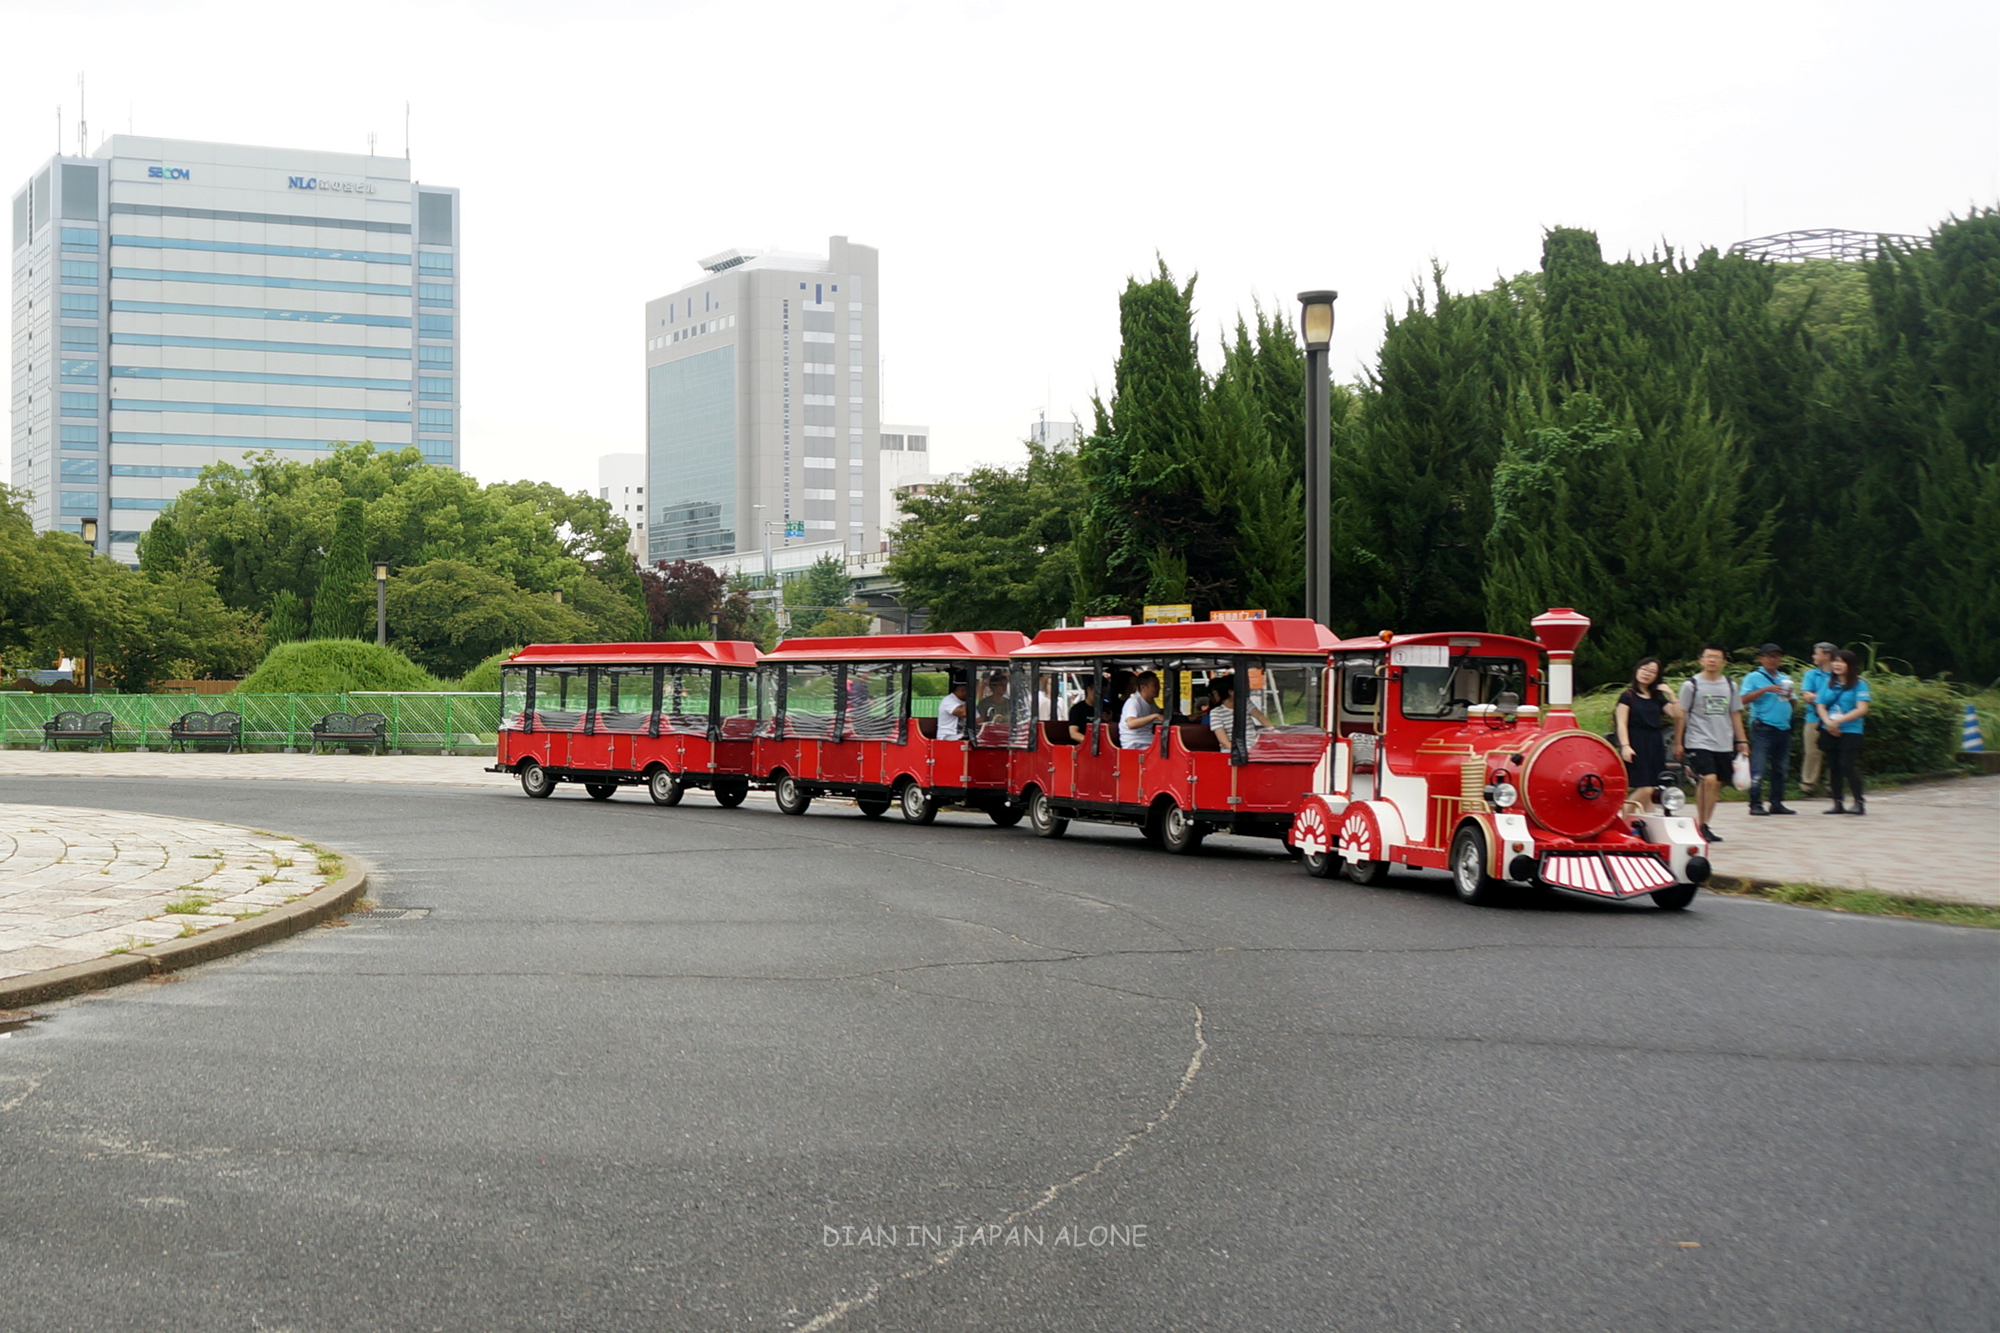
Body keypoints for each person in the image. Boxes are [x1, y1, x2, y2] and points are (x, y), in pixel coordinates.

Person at [1674, 642, 1747, 844]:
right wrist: (1679, 742)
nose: (1712, 660)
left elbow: (1734, 714)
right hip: (1699, 740)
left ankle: (1704, 824)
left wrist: (1742, 740)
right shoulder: (1691, 685)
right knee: (1709, 779)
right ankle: (1702, 825)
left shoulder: (1730, 685)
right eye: (1708, 656)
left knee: (1715, 784)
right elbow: (1682, 714)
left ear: (1723, 661)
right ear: (1701, 660)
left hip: (1723, 742)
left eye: (1717, 657)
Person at [1741, 642, 1799, 816]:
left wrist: (1789, 696)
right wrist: (1766, 689)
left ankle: (1776, 802)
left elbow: (1794, 703)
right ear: (1761, 658)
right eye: (1769, 656)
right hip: (1763, 728)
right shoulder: (1753, 677)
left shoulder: (1784, 678)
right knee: (1759, 767)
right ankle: (1755, 803)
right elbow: (1743, 699)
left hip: (1783, 728)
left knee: (1780, 768)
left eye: (1777, 656)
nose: (1773, 660)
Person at [1614, 657, 1679, 808]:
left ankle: (1641, 822)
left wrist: (1671, 695)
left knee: (1652, 787)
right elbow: (1621, 723)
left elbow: (1676, 713)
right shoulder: (1628, 696)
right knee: (1645, 787)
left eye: (1652, 671)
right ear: (1637, 670)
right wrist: (1625, 746)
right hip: (1635, 741)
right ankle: (1623, 816)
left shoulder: (1657, 697)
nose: (1647, 673)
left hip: (1654, 743)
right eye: (1644, 669)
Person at [1814, 649, 1871, 815]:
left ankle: (1859, 801)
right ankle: (1837, 802)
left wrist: (1838, 722)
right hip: (1829, 729)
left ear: (1850, 665)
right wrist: (1828, 723)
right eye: (1835, 661)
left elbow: (1862, 709)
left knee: (1847, 764)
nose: (1837, 665)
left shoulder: (1860, 684)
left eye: (1842, 662)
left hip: (1851, 730)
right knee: (1833, 766)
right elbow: (1820, 705)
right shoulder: (1829, 683)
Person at [1797, 642, 1837, 795]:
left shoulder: (1838, 673)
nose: (1814, 656)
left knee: (1834, 752)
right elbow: (1806, 696)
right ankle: (1807, 785)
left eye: (1816, 653)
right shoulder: (1811, 674)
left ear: (1827, 655)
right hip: (1813, 717)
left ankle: (1833, 785)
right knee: (1811, 752)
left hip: (1836, 719)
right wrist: (1827, 699)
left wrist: (1817, 698)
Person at [1208, 674, 1268, 750]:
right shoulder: (1216, 713)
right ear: (1231, 692)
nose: (1244, 692)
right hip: (1233, 752)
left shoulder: (1245, 703)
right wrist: (1241, 753)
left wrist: (1273, 730)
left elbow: (1260, 717)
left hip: (1254, 748)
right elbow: (1224, 743)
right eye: (1240, 689)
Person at [1118, 671, 1165, 749]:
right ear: (1143, 687)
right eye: (1155, 685)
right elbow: (1131, 724)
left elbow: (1159, 712)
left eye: (1158, 685)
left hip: (1147, 740)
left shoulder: (1151, 702)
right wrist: (1154, 716)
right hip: (1135, 743)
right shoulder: (1133, 702)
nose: (1159, 688)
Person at [935, 677, 971, 743]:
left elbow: (979, 720)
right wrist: (976, 696)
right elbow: (963, 713)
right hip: (947, 737)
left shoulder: (965, 702)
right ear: (962, 690)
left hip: (962, 737)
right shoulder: (948, 700)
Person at [1066, 677, 1099, 744]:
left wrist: (1109, 721)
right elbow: (1073, 733)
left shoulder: (1106, 708)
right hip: (1081, 747)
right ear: (1088, 689)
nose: (1099, 697)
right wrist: (1092, 743)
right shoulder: (1077, 709)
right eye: (1096, 694)